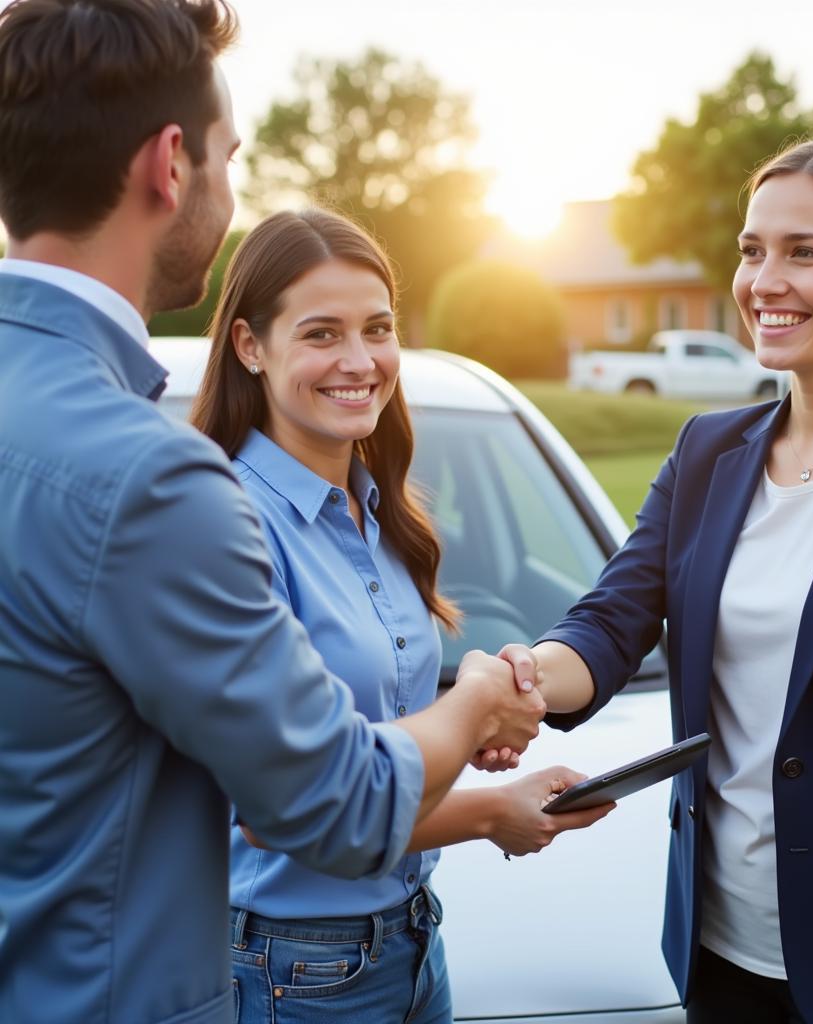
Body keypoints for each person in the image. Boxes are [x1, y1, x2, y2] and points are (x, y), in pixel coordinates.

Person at [0, 3, 544, 1023]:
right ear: (171, 164)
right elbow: (331, 800)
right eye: (227, 156)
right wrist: (476, 702)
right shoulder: (150, 478)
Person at [496, 137, 813, 1023]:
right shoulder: (707, 451)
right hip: (716, 952)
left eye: (804, 252)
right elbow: (612, 620)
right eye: (752, 250)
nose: (763, 281)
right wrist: (515, 677)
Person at [188, 206, 613, 1024]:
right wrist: (476, 749)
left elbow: (375, 744)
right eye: (320, 335)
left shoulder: (382, 515)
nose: (359, 361)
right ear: (250, 346)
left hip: (411, 943)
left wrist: (464, 744)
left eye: (377, 328)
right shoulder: (230, 525)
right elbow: (284, 812)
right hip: (293, 968)